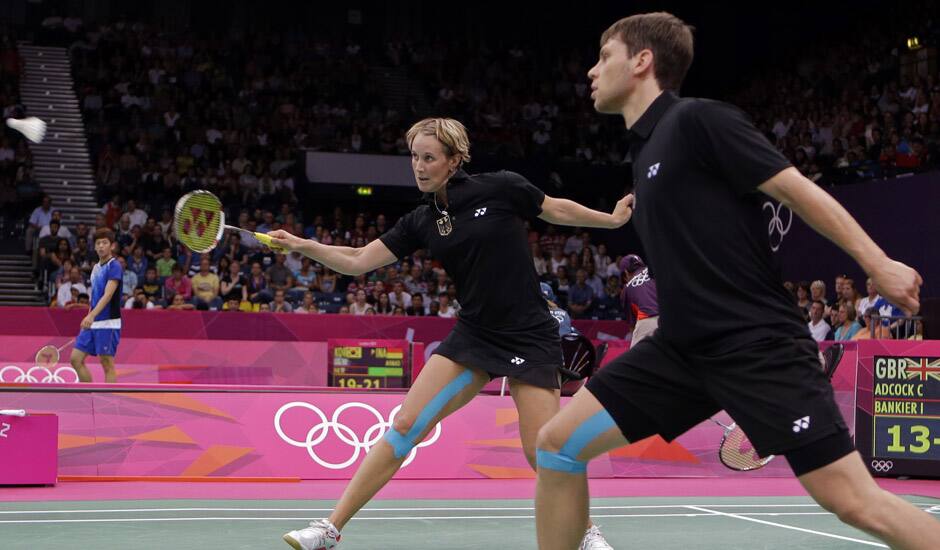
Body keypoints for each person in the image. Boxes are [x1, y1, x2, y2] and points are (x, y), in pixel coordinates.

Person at [534, 13, 938, 550]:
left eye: (603, 55)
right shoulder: (646, 152)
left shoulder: (698, 121)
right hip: (681, 350)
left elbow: (796, 190)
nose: (590, 71)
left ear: (642, 60)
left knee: (852, 501)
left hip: (755, 345)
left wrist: (877, 263)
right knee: (557, 444)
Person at [272, 117, 631, 550]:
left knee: (544, 450)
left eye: (429, 158)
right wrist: (301, 245)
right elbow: (357, 260)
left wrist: (611, 222)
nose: (419, 167)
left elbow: (555, 208)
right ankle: (329, 529)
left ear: (454, 160)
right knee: (405, 424)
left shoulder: (500, 187)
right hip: (476, 335)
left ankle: (587, 532)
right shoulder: (421, 220)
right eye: (414, 158)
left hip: (529, 334)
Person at [69, 229, 122, 383]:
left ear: (112, 246)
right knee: (75, 359)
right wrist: (89, 316)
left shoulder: (114, 266)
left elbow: (108, 295)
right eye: (98, 243)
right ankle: (89, 398)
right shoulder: (96, 268)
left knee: (107, 364)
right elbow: (95, 297)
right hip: (93, 321)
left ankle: (108, 404)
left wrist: (91, 316)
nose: (101, 246)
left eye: (105, 243)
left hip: (108, 323)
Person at [619, 254, 658, 344]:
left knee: (636, 356)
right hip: (671, 316)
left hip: (649, 320)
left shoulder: (627, 289)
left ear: (625, 273)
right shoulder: (655, 269)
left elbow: (632, 326)